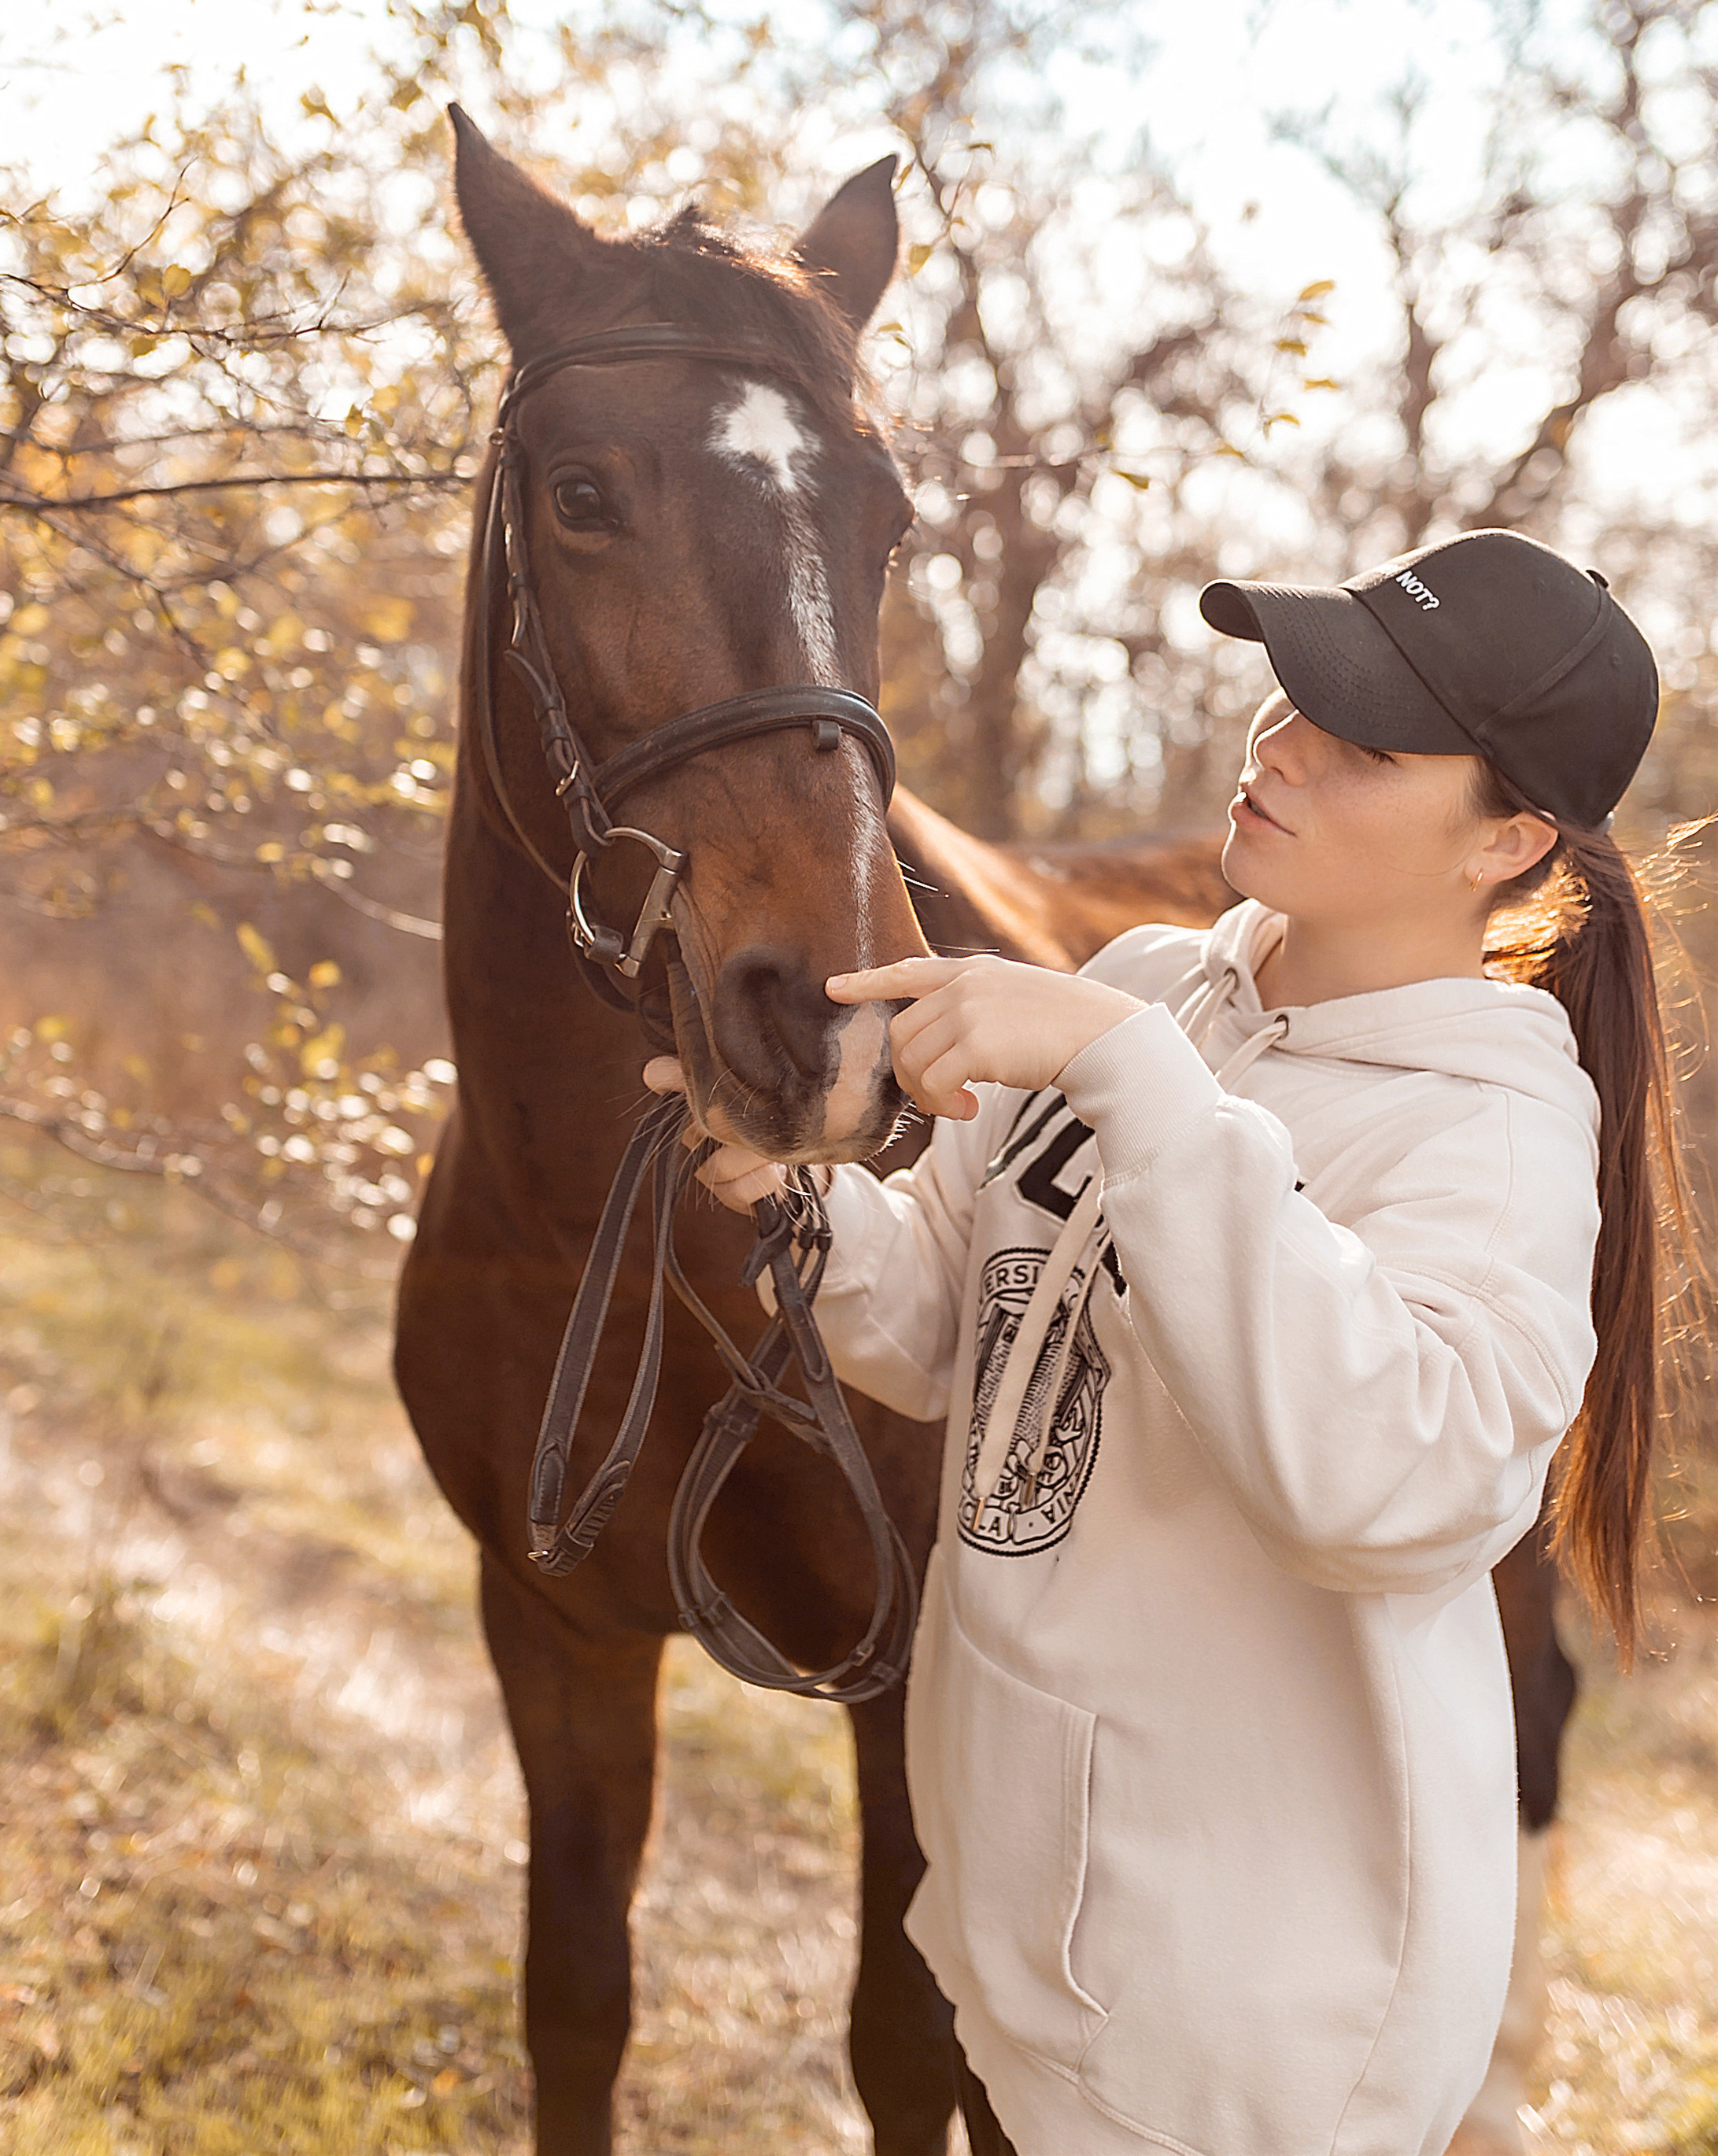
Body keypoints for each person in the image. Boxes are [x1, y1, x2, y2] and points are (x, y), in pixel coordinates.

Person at [645, 528, 1685, 2156]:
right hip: (1019, 1950)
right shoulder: (1155, 993)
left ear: (1510, 839)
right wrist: (790, 1204)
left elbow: (1391, 1490)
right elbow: (946, 1331)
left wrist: (1136, 1083)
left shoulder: (1487, 1141)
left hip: (1238, 2048)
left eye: (1358, 743)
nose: (1276, 747)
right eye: (1290, 699)